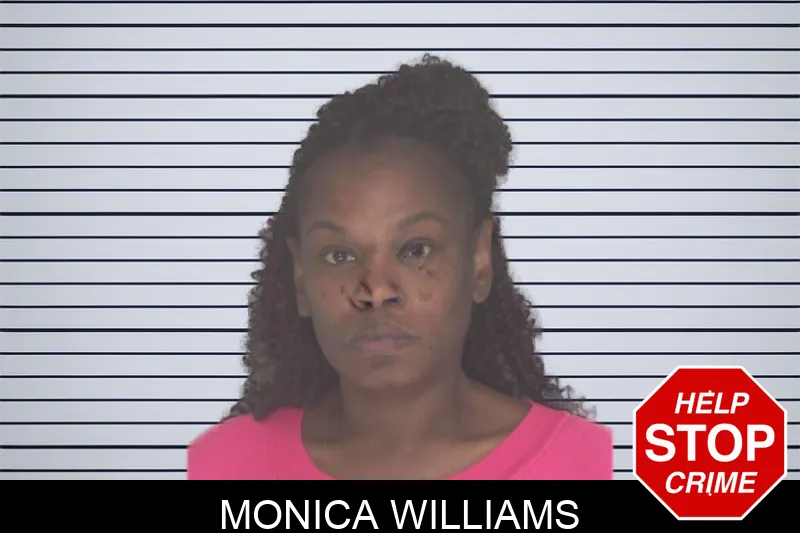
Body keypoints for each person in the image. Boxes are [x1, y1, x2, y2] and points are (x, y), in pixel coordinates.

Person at [187, 55, 613, 480]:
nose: (375, 290)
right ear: (301, 278)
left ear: (479, 260)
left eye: (415, 250)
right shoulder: (221, 464)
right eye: (339, 255)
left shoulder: (586, 464)